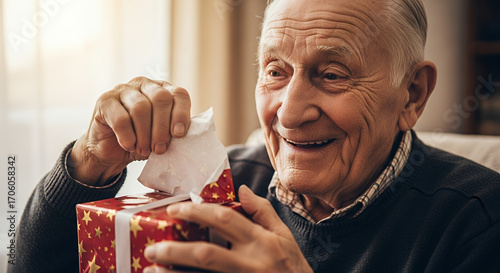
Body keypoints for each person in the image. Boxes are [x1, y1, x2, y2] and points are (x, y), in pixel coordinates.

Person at [9, 0, 500, 272]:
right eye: (275, 71)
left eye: (332, 74)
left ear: (412, 94)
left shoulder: (478, 222)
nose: (289, 112)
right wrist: (88, 164)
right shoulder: (218, 180)